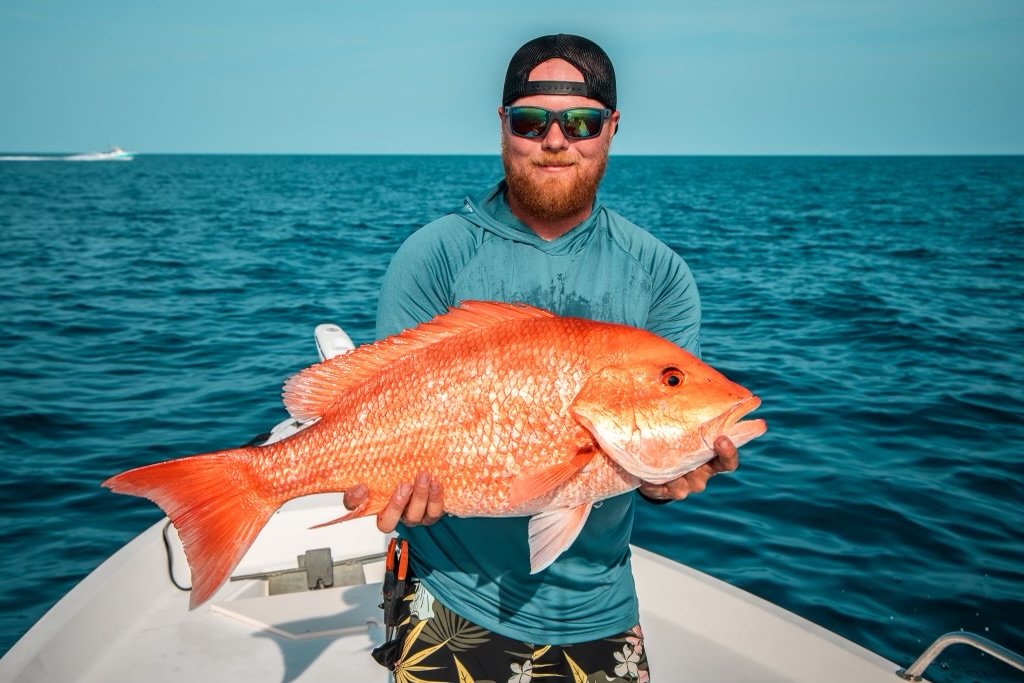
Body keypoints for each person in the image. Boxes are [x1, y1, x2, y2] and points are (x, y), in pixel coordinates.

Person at [344, 33, 741, 681]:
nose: (556, 140)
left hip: (601, 606)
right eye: (532, 121)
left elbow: (654, 452)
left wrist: (671, 476)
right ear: (504, 125)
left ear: (611, 127)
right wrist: (383, 484)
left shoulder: (660, 274)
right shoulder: (433, 255)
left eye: (580, 122)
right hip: (446, 593)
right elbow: (383, 409)